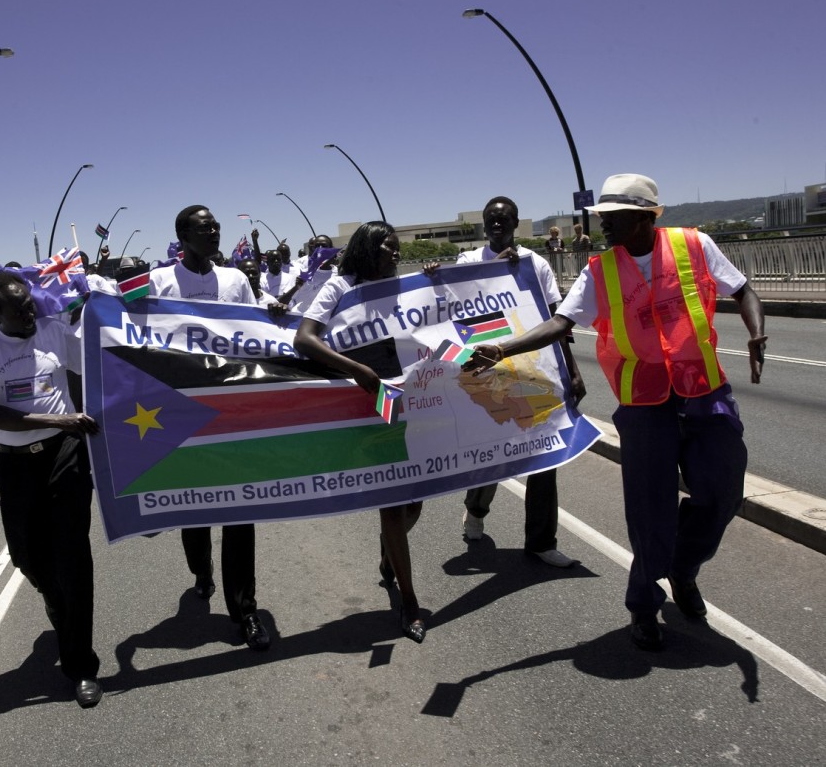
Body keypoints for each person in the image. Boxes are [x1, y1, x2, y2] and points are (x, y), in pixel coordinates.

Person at [463, 174, 767, 651]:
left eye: (612, 216)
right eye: (601, 214)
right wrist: (501, 349)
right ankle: (644, 606)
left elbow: (743, 290)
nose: (601, 222)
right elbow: (561, 322)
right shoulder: (599, 271)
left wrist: (755, 330)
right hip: (645, 405)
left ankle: (683, 569)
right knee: (650, 515)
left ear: (645, 216)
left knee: (723, 495)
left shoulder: (694, 245)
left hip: (705, 393)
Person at [0, 271, 103, 707]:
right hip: (16, 465)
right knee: (27, 557)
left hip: (64, 456)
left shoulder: (52, 329)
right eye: (19, 309)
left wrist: (91, 312)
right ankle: (54, 599)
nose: (29, 313)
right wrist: (60, 418)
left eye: (30, 304)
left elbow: (104, 357)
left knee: (73, 557)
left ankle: (81, 665)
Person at [294, 221, 427, 644]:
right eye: (388, 248)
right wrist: (356, 370)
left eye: (397, 248)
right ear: (368, 249)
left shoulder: (400, 285)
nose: (395, 254)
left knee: (414, 505)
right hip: (370, 401)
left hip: (412, 399)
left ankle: (390, 549)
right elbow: (304, 339)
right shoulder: (338, 289)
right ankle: (408, 601)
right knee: (392, 503)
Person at [147, 205, 272, 651]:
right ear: (182, 235)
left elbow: (256, 336)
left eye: (216, 226)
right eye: (204, 228)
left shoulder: (236, 281)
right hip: (182, 413)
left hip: (232, 410)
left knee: (240, 512)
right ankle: (201, 570)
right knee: (195, 509)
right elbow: (140, 336)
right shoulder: (160, 282)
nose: (214, 232)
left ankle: (246, 611)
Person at [454, 197, 585, 569]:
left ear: (515, 223)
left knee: (545, 456)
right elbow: (452, 306)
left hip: (532, 370)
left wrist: (572, 372)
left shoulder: (535, 264)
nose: (498, 225)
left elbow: (555, 322)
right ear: (484, 225)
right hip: (485, 373)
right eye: (492, 220)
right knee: (491, 454)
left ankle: (542, 541)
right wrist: (493, 269)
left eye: (505, 219)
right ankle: (476, 508)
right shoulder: (467, 262)